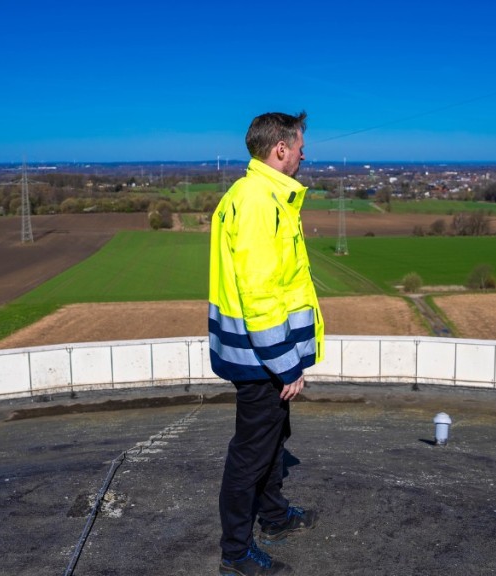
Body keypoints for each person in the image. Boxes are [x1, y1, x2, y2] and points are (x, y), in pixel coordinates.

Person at [209, 111, 325, 576]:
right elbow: (260, 294)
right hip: (261, 357)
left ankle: (274, 517)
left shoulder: (255, 194)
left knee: (275, 438)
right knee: (251, 454)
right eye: (299, 148)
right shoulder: (260, 202)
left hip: (261, 354)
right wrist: (285, 363)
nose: (303, 156)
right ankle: (236, 553)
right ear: (280, 149)